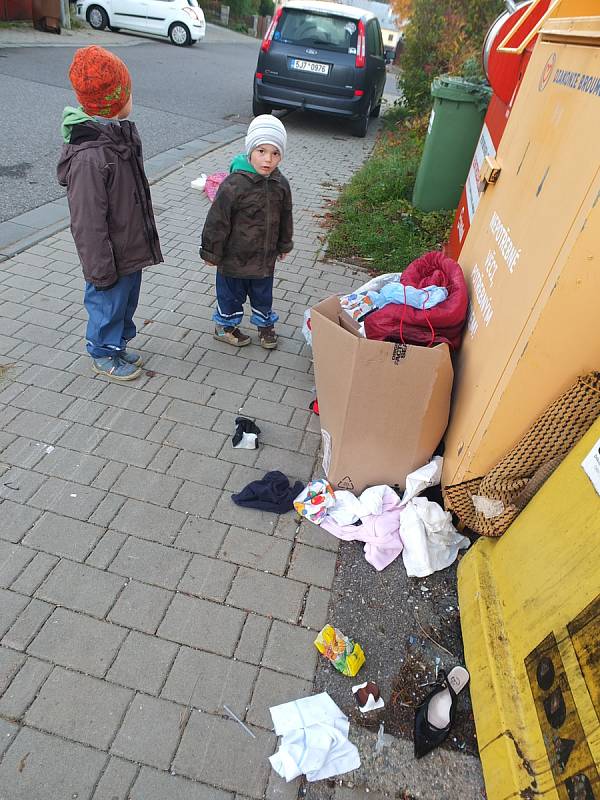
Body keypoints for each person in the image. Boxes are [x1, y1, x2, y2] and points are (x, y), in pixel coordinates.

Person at [57, 45, 163, 381]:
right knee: (107, 305)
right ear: (115, 102)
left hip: (127, 246)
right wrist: (100, 269)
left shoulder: (117, 136)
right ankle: (102, 352)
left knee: (124, 303)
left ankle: (116, 345)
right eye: (128, 92)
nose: (133, 97)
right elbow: (87, 223)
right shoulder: (91, 156)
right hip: (108, 256)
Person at [200, 115, 293, 350]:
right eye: (261, 151)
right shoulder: (234, 184)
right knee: (231, 297)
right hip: (234, 258)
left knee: (263, 296)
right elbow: (217, 221)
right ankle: (225, 326)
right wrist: (211, 253)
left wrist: (283, 244)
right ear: (250, 150)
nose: (268, 159)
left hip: (264, 258)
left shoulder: (280, 184)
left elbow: (286, 215)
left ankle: (265, 326)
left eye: (275, 153)